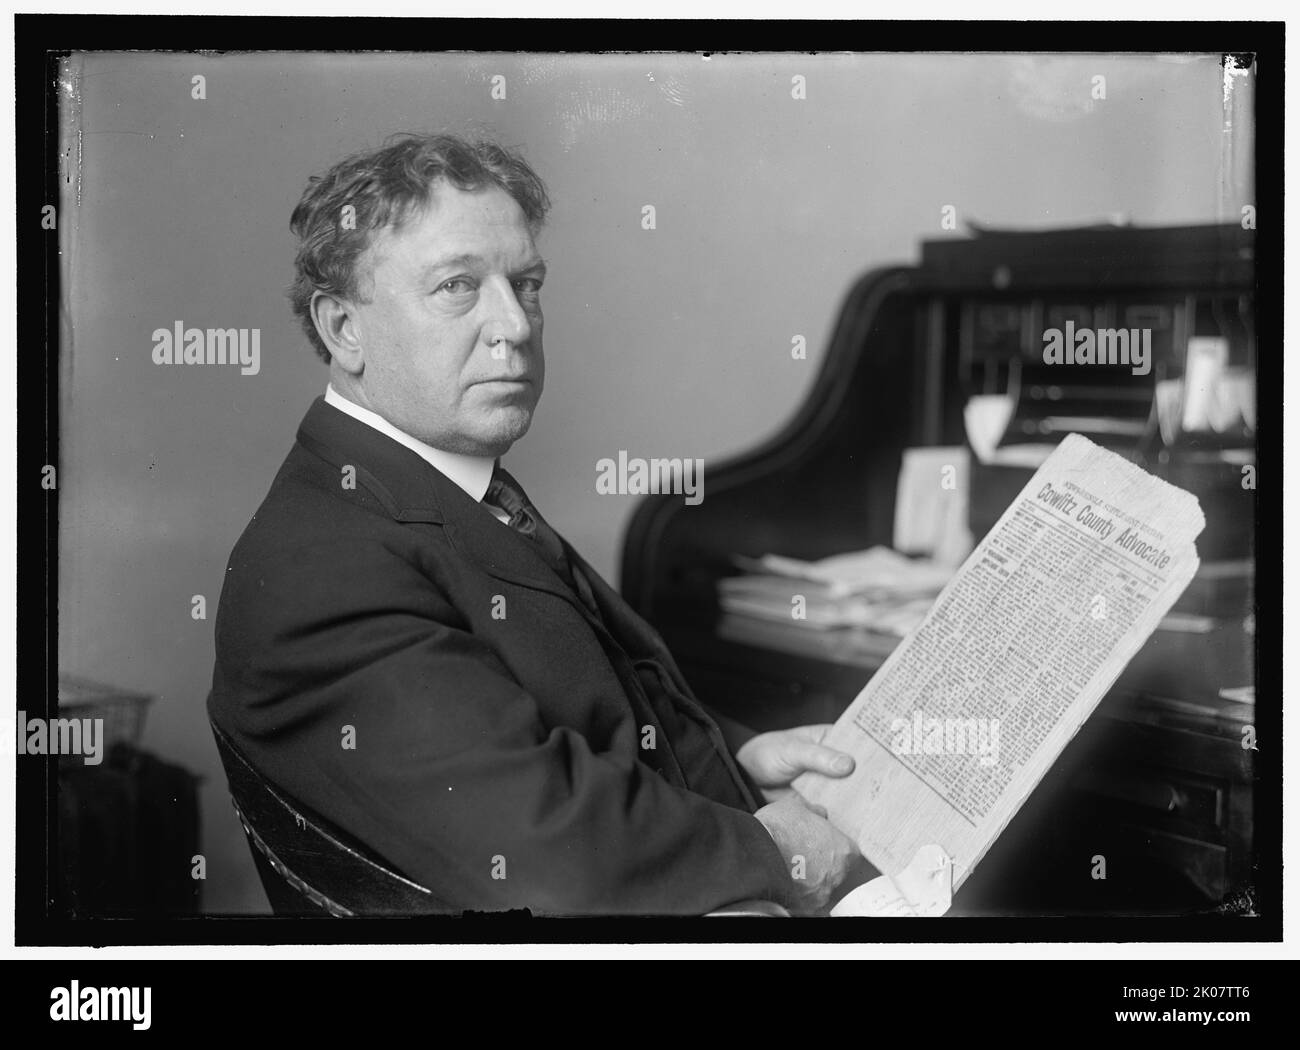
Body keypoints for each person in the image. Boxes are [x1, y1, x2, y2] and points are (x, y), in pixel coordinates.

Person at [208, 132, 860, 915]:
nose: (514, 325)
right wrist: (778, 850)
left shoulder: (430, 483)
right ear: (345, 329)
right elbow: (544, 850)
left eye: (527, 283)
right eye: (457, 286)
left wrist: (741, 759)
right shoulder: (323, 568)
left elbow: (573, 704)